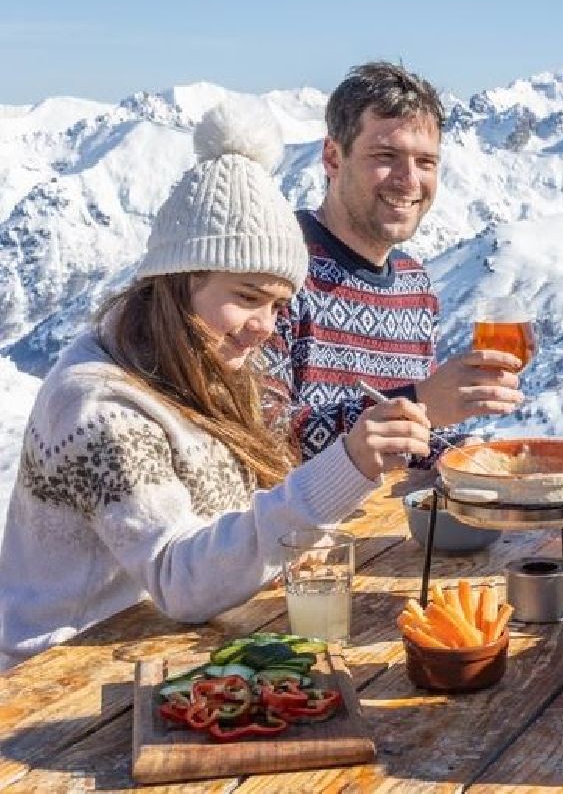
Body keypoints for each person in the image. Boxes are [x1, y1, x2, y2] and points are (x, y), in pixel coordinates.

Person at [0, 101, 431, 670]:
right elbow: (180, 578)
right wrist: (347, 465)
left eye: (278, 305)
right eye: (248, 297)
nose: (266, 326)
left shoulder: (203, 366)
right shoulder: (100, 405)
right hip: (58, 675)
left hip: (161, 649)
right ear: (179, 281)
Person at [263, 61, 523, 461]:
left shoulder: (414, 286)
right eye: (386, 155)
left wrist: (450, 451)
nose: (409, 179)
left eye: (426, 162)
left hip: (388, 522)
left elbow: (411, 442)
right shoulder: (276, 266)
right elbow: (260, 434)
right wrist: (419, 403)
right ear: (333, 158)